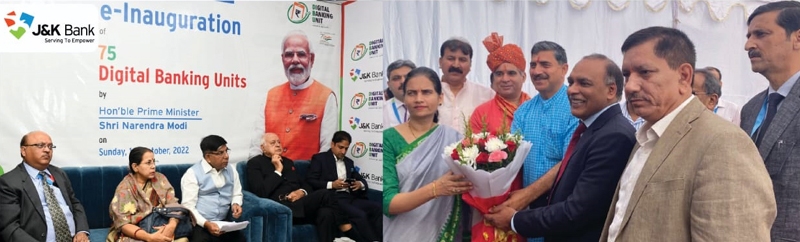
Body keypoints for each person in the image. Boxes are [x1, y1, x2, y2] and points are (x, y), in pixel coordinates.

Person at [600, 26, 775, 241]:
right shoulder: (647, 137)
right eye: (627, 75)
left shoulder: (723, 143)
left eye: (645, 72)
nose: (630, 86)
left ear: (684, 76)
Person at [486, 54, 635, 241]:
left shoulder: (613, 136)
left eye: (584, 83)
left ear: (611, 90)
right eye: (571, 82)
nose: (572, 90)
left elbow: (577, 211)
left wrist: (515, 220)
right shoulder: (593, 128)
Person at [491, 41, 580, 242]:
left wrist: (526, 196)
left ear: (564, 68)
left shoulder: (575, 107)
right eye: (533, 65)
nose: (537, 71)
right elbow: (511, 159)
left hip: (562, 210)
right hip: (528, 214)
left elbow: (570, 162)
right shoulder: (523, 111)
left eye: (545, 65)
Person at [383, 67, 474, 241]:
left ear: (440, 98)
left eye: (426, 92)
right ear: (405, 98)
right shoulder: (388, 139)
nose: (419, 99)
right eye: (411, 93)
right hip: (401, 233)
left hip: (444, 231)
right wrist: (435, 189)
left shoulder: (455, 139)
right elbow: (388, 202)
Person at [741, 2, 800, 241]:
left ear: (797, 38)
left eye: (761, 34)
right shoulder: (751, 108)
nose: (748, 45)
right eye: (748, 36)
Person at [248, 133, 360, 242]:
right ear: (263, 147)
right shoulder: (255, 163)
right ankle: (348, 230)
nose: (278, 145)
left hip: (301, 204)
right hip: (282, 207)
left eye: (279, 142)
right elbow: (260, 192)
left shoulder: (288, 162)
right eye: (273, 143)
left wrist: (302, 192)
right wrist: (278, 170)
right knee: (326, 193)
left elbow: (306, 184)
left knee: (326, 213)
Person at [250, 30, 338, 161]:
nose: (295, 60)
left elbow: (327, 148)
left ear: (311, 59)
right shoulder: (270, 96)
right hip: (271, 176)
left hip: (307, 177)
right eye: (289, 54)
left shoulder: (326, 96)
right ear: (282, 59)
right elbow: (257, 143)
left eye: (301, 54)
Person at [0, 131, 90, 242]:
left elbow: (75, 204)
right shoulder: (9, 182)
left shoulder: (59, 174)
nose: (47, 150)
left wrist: (82, 231)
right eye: (40, 145)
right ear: (24, 150)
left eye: (50, 146)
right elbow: (9, 227)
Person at [307, 131, 382, 241]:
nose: (343, 151)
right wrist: (332, 184)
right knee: (360, 215)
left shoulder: (349, 162)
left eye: (346, 149)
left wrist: (359, 184)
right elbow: (311, 180)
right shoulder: (320, 159)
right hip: (334, 199)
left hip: (350, 197)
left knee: (378, 208)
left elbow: (361, 179)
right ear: (332, 144)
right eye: (340, 147)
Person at [108, 147, 189, 242]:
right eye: (148, 163)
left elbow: (174, 206)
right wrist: (150, 238)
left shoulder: (160, 178)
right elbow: (122, 224)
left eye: (154, 162)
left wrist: (171, 226)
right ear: (135, 167)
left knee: (183, 240)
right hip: (136, 231)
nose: (153, 166)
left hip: (161, 224)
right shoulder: (125, 188)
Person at [181, 135, 246, 242]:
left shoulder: (231, 169)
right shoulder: (192, 174)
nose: (226, 156)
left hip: (224, 223)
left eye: (226, 151)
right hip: (200, 223)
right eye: (220, 153)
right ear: (208, 157)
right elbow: (188, 207)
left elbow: (237, 193)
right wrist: (206, 224)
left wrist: (236, 203)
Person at [469, 33, 531, 134]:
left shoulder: (535, 108)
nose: (505, 79)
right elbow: (472, 146)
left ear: (523, 77)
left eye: (511, 73)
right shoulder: (481, 113)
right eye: (499, 74)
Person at [437, 37, 495, 133]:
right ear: (440, 62)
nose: (456, 65)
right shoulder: (427, 93)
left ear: (470, 64)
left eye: (462, 60)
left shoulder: (487, 95)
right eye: (451, 58)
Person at [383, 59, 416, 128]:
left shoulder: (430, 107)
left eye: (407, 77)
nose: (403, 81)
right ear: (389, 85)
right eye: (396, 78)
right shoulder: (382, 110)